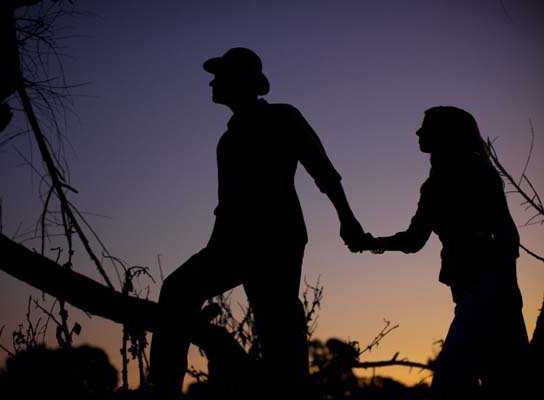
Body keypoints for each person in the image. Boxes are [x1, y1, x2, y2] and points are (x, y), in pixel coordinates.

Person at [148, 47, 364, 399]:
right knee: (178, 290)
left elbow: (322, 170)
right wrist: (214, 250)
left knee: (277, 326)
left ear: (243, 81)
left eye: (221, 75)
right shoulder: (228, 140)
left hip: (278, 238)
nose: (213, 82)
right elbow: (226, 206)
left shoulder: (283, 117)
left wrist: (348, 220)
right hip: (233, 242)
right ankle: (163, 389)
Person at [357, 106, 530, 399]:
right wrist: (372, 242)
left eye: (426, 126)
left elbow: (507, 235)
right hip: (473, 292)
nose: (418, 132)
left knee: (452, 380)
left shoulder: (473, 172)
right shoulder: (438, 182)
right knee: (497, 381)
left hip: (487, 289)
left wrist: (508, 290)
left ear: (446, 133)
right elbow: (414, 240)